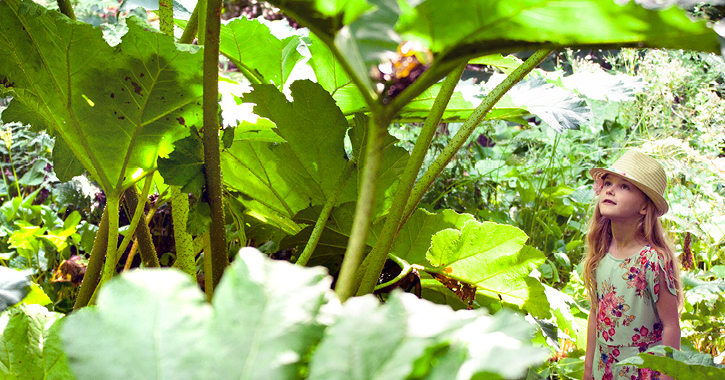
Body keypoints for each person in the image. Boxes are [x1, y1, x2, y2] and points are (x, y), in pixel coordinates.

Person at [582, 149, 683, 380]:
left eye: (624, 186)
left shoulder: (653, 261)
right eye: (608, 182)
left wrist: (667, 376)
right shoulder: (601, 255)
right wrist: (588, 370)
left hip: (642, 371)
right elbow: (595, 314)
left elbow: (671, 326)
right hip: (604, 369)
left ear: (645, 207)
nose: (610, 189)